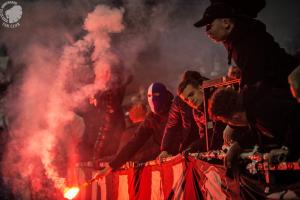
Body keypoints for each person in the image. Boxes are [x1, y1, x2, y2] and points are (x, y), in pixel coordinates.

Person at [194, 3, 299, 90]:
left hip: (289, 87)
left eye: (209, 25)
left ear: (225, 22)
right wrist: (243, 72)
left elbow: (257, 82)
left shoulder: (247, 41)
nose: (207, 32)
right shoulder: (238, 39)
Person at [93, 82, 175, 178]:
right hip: (166, 163)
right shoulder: (151, 118)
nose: (152, 99)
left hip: (179, 159)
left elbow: (180, 134)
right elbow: (134, 143)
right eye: (149, 96)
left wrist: (168, 151)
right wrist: (109, 168)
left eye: (156, 95)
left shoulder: (175, 110)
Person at [208, 87, 300, 162]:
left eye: (227, 121)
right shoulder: (252, 110)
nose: (229, 125)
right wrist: (238, 144)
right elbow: (254, 131)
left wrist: (286, 148)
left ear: (235, 117)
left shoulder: (262, 108)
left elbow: (295, 116)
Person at [159, 71, 208, 160]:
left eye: (191, 94)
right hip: (193, 143)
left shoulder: (214, 96)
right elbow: (171, 126)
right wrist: (165, 149)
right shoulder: (189, 108)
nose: (191, 100)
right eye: (186, 99)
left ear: (199, 87)